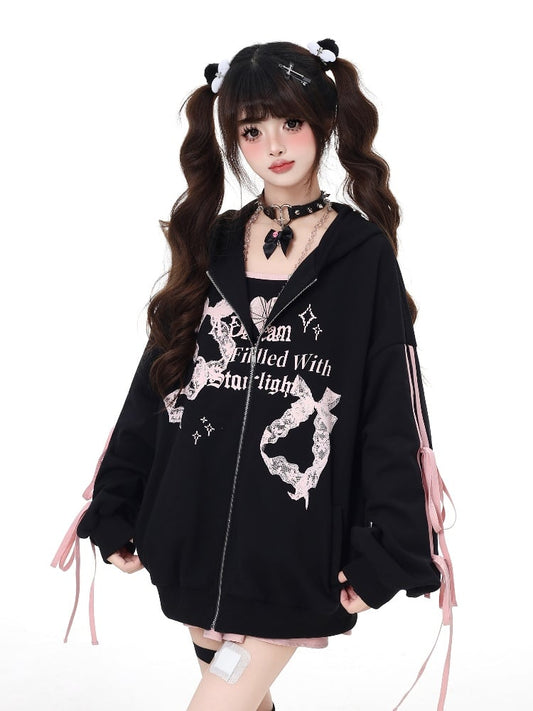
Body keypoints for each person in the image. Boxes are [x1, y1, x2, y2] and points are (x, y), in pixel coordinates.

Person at [53, 39, 456, 711]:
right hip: (190, 533)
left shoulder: (360, 255)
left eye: (290, 122)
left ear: (323, 121)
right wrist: (116, 502)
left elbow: (390, 408)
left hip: (293, 552)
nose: (273, 145)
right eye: (251, 129)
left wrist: (390, 545)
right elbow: (158, 384)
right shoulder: (214, 242)